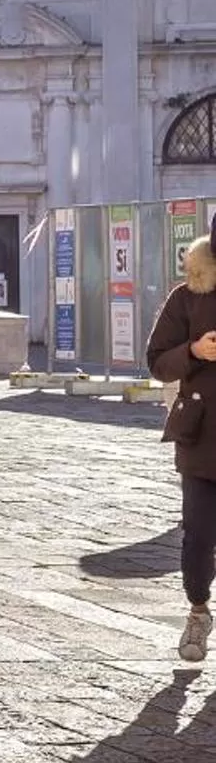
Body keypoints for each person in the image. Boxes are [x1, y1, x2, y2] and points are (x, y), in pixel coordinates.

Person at [148, 237, 216, 661]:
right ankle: (198, 611)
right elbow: (156, 362)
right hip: (204, 438)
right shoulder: (188, 295)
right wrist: (194, 351)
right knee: (198, 537)